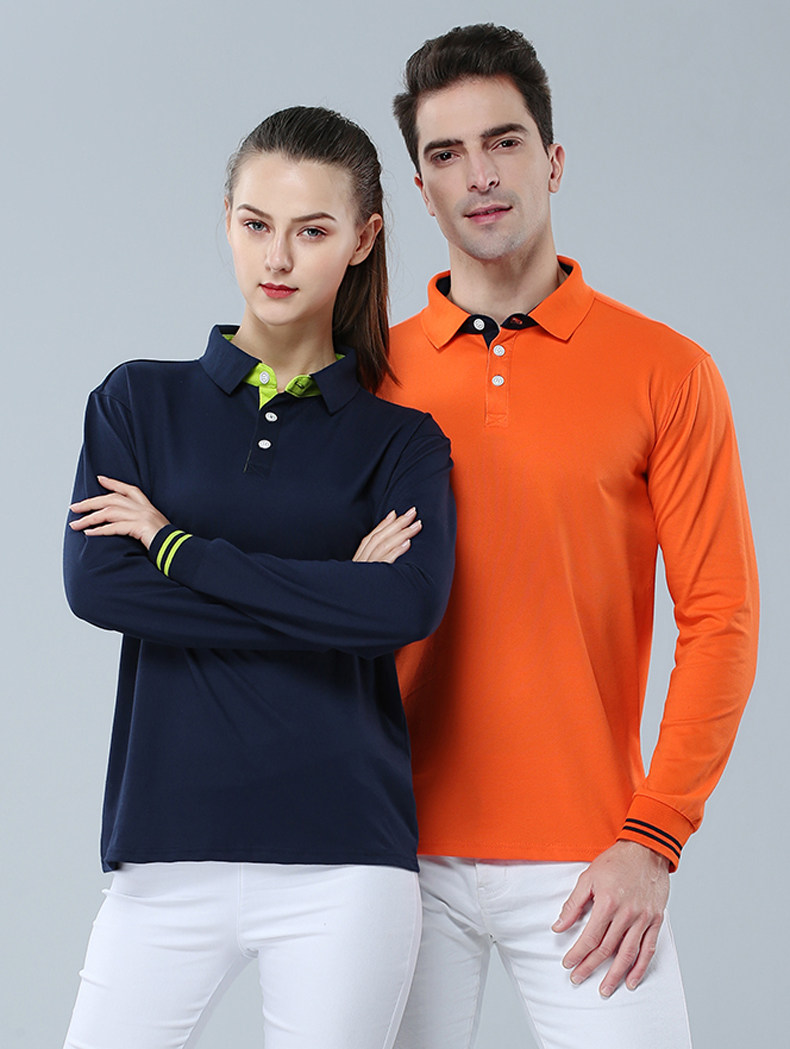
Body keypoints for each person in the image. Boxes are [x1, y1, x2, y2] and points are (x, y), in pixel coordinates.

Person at [379, 24, 758, 1049]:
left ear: (551, 160)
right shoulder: (369, 374)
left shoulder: (666, 371)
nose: (479, 175)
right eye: (447, 153)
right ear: (420, 190)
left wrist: (655, 835)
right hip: (390, 851)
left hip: (592, 860)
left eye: (503, 141)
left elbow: (721, 617)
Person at [62, 105, 455, 1049]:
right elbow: (99, 586)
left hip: (344, 861)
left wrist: (177, 549)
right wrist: (332, 594)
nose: (276, 258)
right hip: (166, 846)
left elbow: (403, 607)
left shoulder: (401, 441)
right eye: (255, 224)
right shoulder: (136, 401)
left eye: (312, 231)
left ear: (363, 239)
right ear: (228, 221)